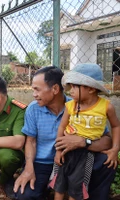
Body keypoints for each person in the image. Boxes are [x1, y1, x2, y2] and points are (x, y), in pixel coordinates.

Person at [11, 66, 116, 200]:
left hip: (74, 159)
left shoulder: (82, 106)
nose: (34, 94)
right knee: (25, 196)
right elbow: (30, 140)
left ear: (55, 89)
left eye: (37, 89)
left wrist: (83, 142)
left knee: (106, 161)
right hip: (42, 163)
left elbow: (106, 141)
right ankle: (46, 189)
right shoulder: (33, 109)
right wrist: (28, 168)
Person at [49, 63, 120, 200]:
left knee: (77, 186)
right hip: (66, 150)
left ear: (91, 89)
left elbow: (116, 126)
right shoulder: (70, 106)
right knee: (59, 183)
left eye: (75, 86)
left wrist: (115, 149)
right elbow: (62, 127)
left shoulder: (106, 107)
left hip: (86, 154)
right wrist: (58, 150)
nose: (70, 91)